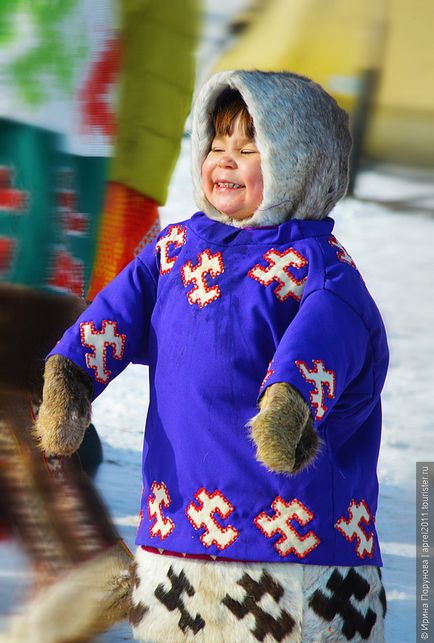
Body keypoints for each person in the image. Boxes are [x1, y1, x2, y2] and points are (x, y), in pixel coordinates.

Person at [35, 70, 389, 642]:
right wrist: (71, 375)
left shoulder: (320, 268)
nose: (226, 159)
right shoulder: (177, 248)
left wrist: (288, 403)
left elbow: (327, 341)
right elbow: (116, 312)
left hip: (293, 550)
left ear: (299, 163)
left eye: (250, 148)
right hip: (176, 532)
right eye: (217, 143)